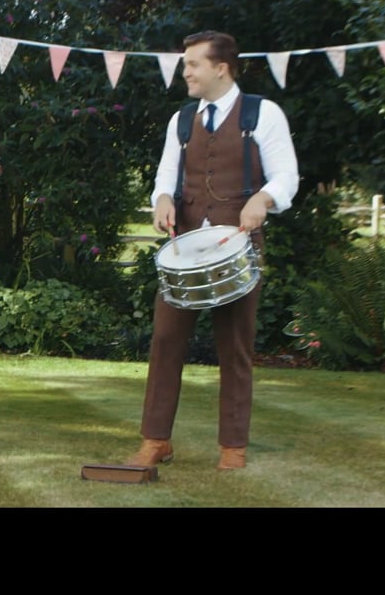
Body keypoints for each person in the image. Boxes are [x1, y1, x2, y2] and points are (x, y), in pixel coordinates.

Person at [127, 30, 299, 471]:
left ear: (220, 68)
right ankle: (156, 440)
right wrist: (161, 200)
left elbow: (286, 176)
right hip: (184, 251)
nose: (185, 72)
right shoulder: (182, 120)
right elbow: (165, 176)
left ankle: (232, 448)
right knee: (165, 341)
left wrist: (263, 199)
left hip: (237, 248)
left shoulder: (263, 114)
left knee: (235, 347)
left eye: (193, 64)